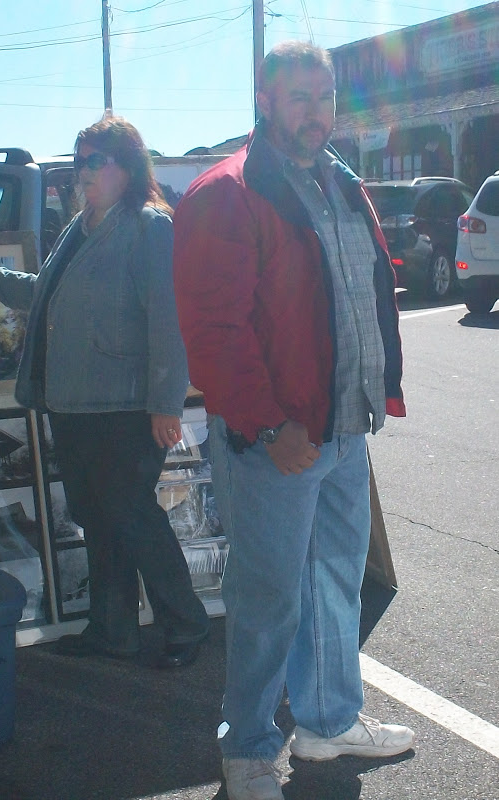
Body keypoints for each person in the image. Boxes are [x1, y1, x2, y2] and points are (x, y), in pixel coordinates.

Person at [172, 42, 415, 799]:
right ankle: (247, 749)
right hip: (276, 438)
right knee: (267, 597)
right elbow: (215, 330)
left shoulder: (340, 184)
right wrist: (270, 427)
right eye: (300, 96)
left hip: (344, 429)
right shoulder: (228, 192)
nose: (317, 111)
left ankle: (327, 722)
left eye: (327, 94)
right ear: (265, 99)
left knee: (335, 586)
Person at [0, 115, 209, 669]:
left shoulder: (150, 228)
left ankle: (185, 625)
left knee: (134, 517)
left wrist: (167, 403)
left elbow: (169, 321)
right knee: (97, 519)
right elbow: (51, 293)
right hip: (72, 402)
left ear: (128, 166)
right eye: (79, 162)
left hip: (123, 407)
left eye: (97, 161)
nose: (84, 172)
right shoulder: (81, 226)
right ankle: (113, 630)